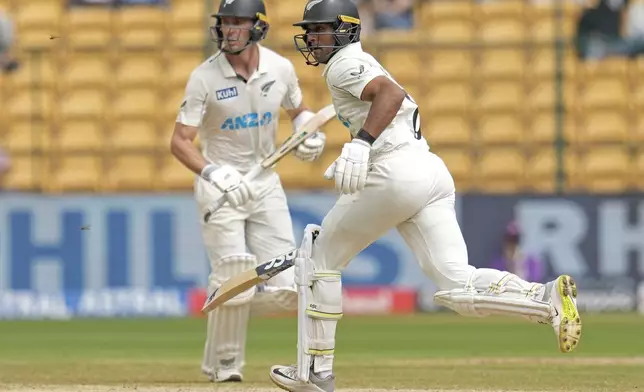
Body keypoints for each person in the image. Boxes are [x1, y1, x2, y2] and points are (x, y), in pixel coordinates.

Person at [268, 1, 582, 391]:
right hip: (430, 169)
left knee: (319, 260)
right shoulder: (358, 61)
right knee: (455, 285)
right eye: (310, 31)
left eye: (320, 30)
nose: (311, 39)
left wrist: (362, 144)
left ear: (345, 30)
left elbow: (391, 94)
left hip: (395, 171)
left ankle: (315, 373)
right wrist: (353, 143)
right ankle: (543, 297)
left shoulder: (344, 63)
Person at [169, 0, 327, 383]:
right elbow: (180, 141)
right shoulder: (204, 77)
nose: (228, 31)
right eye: (224, 23)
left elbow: (300, 110)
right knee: (235, 270)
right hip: (221, 187)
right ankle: (225, 363)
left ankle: (224, 292)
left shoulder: (280, 67)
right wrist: (214, 172)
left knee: (290, 285)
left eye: (237, 23)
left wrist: (309, 134)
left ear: (258, 26)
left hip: (266, 183)